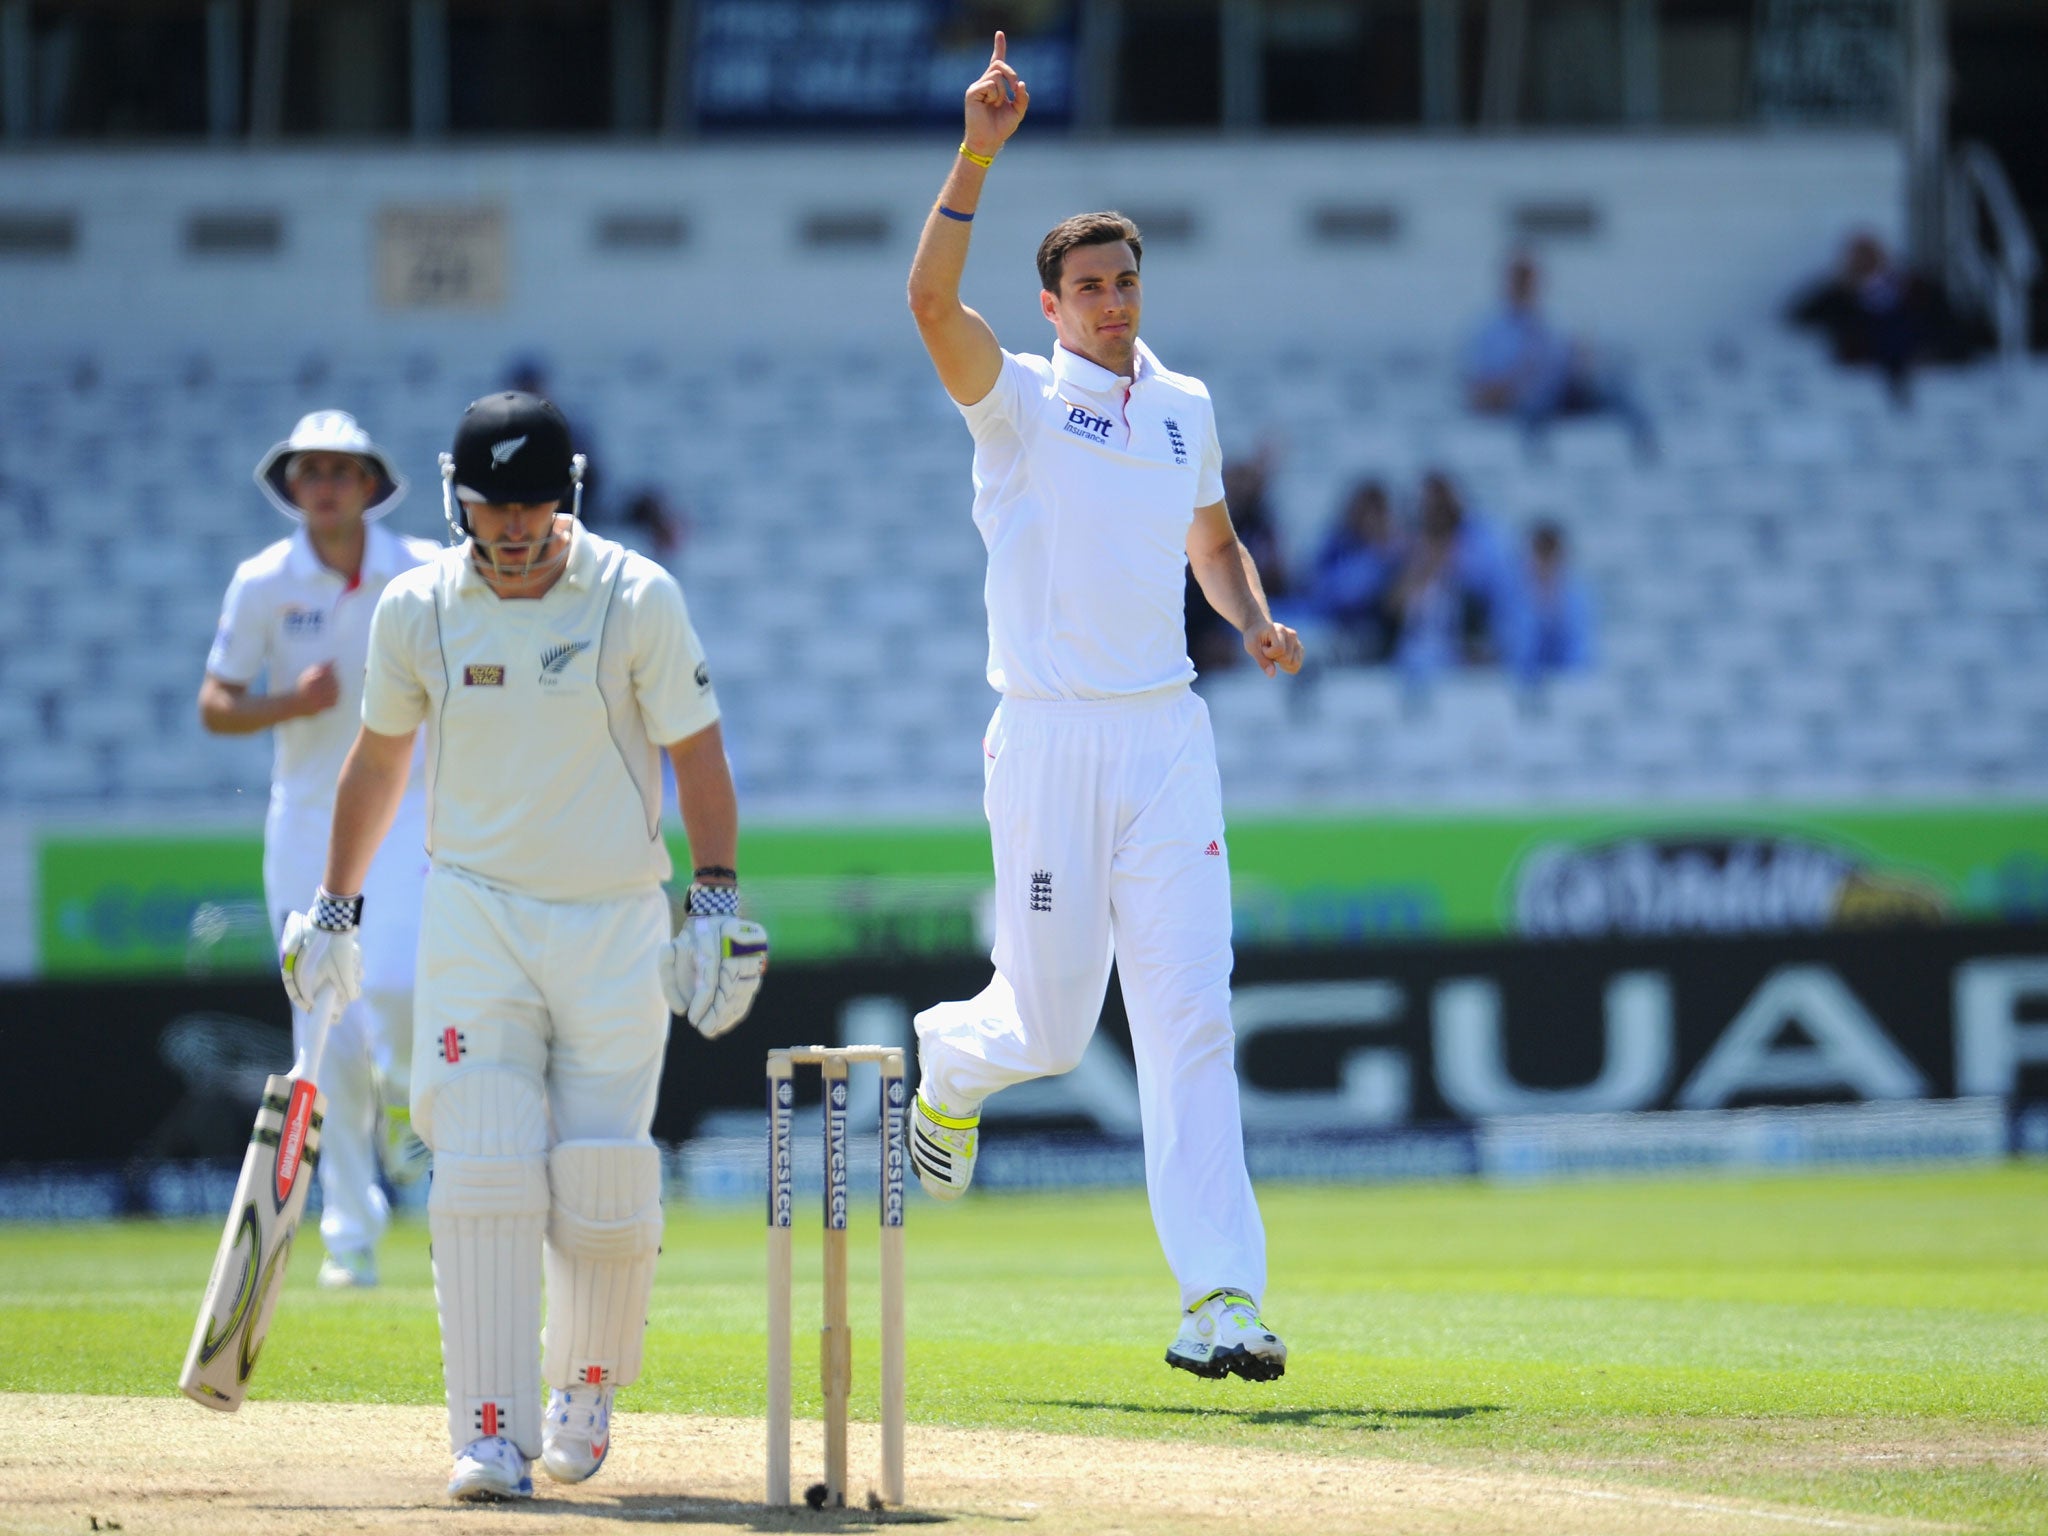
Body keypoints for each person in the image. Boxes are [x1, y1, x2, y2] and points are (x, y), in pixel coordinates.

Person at [274, 392, 769, 1501]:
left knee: (601, 1177)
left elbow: (696, 754)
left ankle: (582, 1389)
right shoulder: (419, 607)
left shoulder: (636, 596)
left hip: (612, 918)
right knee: (484, 1157)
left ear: (569, 496)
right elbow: (376, 760)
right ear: (459, 501)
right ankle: (487, 1431)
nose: (512, 528)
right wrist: (337, 908)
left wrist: (715, 902)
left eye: (533, 506)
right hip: (477, 913)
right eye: (493, 507)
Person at [903, 33, 1302, 1384]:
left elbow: (1212, 541)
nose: (1115, 302)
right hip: (1050, 741)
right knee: (1053, 1028)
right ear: (1053, 302)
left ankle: (1223, 1299)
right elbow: (926, 308)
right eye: (1090, 287)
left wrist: (1251, 618)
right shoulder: (1015, 400)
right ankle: (951, 1067)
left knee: (1191, 1016)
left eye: (1127, 282)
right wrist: (976, 155)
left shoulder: (1184, 404)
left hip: (1167, 738)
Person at [199, 410, 436, 1288]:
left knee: (402, 981)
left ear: (371, 486)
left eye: (342, 470)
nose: (326, 485)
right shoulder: (264, 581)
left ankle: (412, 1107)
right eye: (310, 472)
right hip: (304, 815)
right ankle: (349, 1235)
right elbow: (215, 704)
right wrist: (289, 705)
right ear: (291, 486)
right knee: (320, 1023)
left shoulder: (419, 569)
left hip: (410, 805)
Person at [1462, 253, 1654, 455]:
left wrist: (1579, 361)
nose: (1527, 288)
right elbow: (1479, 388)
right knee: (1535, 400)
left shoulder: (1551, 322)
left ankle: (1645, 444)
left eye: (1530, 282)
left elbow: (1570, 366)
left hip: (1563, 392)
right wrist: (1519, 378)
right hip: (1525, 400)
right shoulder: (1490, 332)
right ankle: (1537, 459)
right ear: (1508, 284)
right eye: (1521, 282)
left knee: (1616, 384)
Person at [1307, 479, 1404, 663]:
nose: (1368, 520)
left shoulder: (1395, 552)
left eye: (1375, 514)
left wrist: (1378, 554)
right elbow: (1327, 592)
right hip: (1331, 623)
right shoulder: (1336, 544)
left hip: (1372, 633)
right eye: (1364, 513)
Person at [1501, 520, 1596, 684]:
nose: (1543, 564)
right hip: (1522, 684)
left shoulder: (1578, 599)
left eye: (1549, 555)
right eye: (1539, 555)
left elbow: (1581, 653)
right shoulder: (1513, 597)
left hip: (1569, 685)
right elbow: (1515, 653)